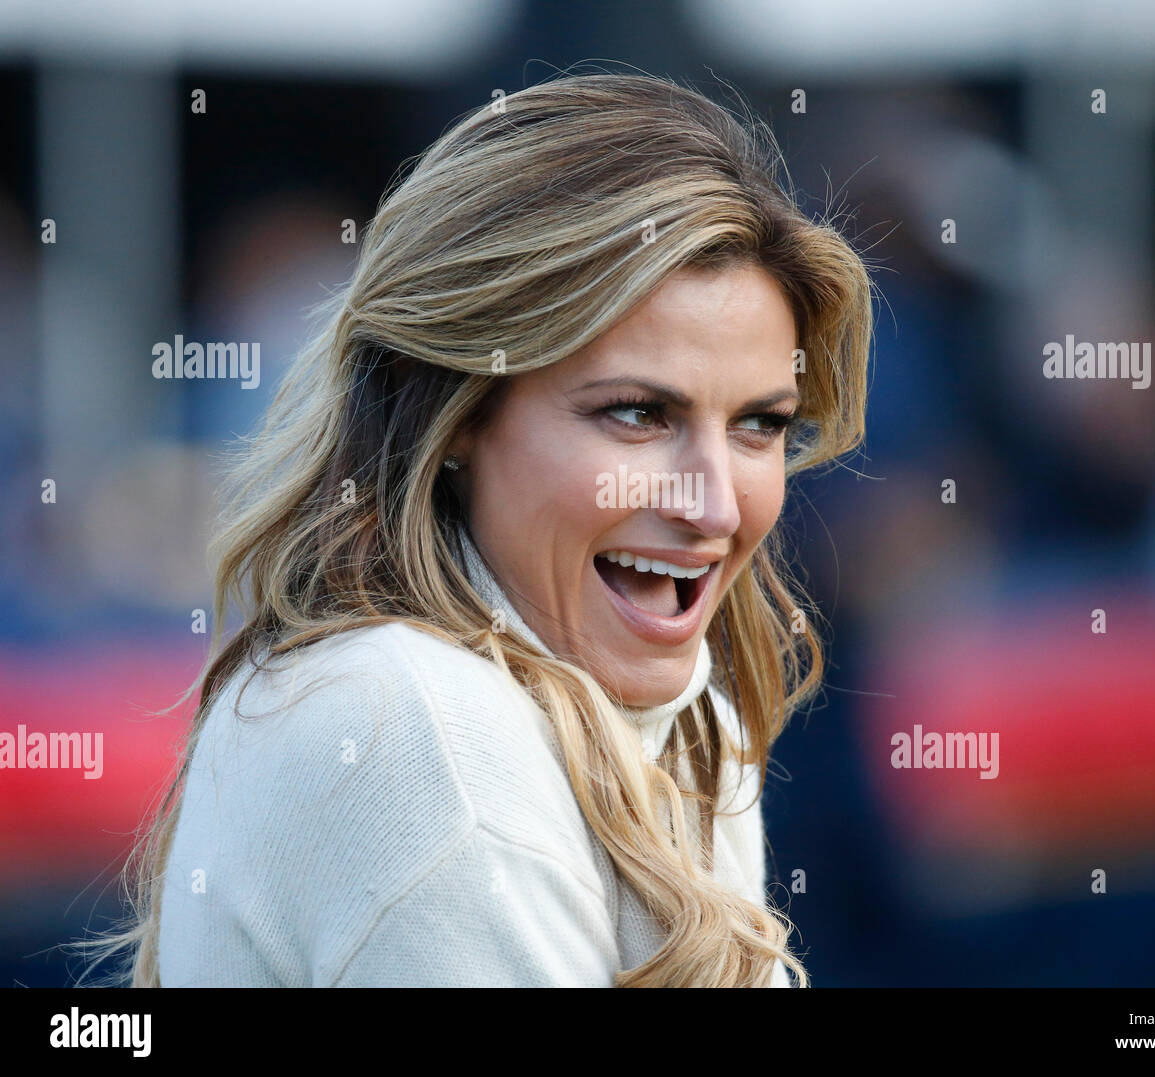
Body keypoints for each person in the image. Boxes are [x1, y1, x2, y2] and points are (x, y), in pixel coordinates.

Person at [81, 71, 873, 988]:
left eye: (760, 425)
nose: (717, 506)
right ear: (456, 412)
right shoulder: (418, 728)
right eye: (636, 414)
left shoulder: (683, 720)